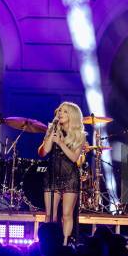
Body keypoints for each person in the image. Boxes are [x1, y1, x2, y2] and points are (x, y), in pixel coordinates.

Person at [38, 102, 86, 244]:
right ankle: (48, 243)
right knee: (49, 215)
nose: (60, 113)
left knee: (66, 214)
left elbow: (74, 158)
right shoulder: (53, 130)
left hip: (70, 177)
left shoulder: (80, 135)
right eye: (59, 110)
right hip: (52, 176)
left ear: (72, 115)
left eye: (64, 111)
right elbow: (43, 152)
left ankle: (65, 244)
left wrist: (60, 142)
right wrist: (50, 134)